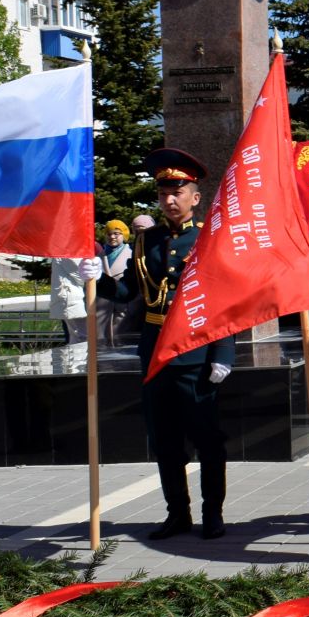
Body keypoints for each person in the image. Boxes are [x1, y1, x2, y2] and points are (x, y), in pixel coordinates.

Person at [97, 148, 235, 540]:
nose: (170, 200)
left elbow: (225, 298)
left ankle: (213, 514)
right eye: (163, 193)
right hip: (156, 353)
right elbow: (128, 293)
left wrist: (223, 351)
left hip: (196, 350)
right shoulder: (147, 242)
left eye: (179, 192)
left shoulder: (210, 238)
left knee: (207, 439)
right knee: (165, 441)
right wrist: (99, 276)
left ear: (196, 196)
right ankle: (178, 514)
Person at [93, 220, 136, 347]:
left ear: (124, 235)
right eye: (109, 234)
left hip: (124, 308)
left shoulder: (132, 253)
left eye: (116, 233)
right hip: (101, 307)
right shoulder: (98, 255)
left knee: (123, 344)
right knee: (101, 345)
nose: (112, 237)